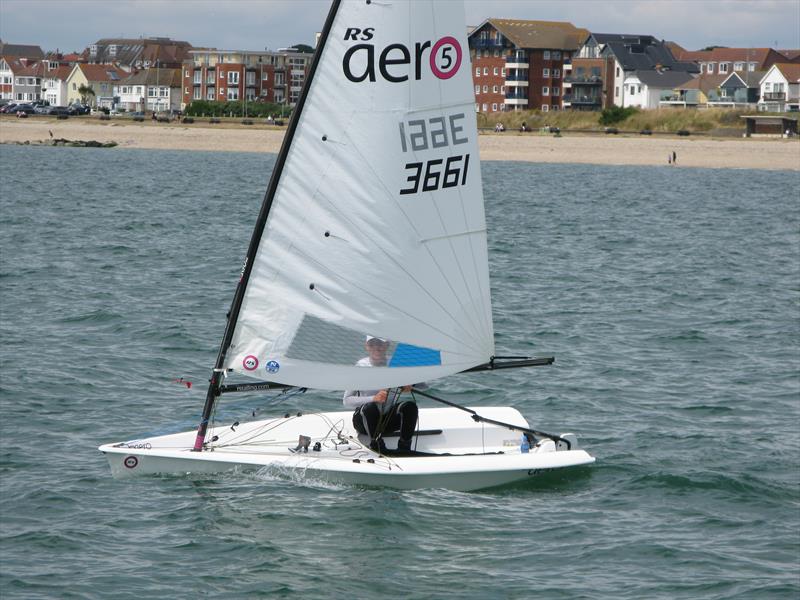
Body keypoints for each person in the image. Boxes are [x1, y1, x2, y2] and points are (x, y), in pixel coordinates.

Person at [343, 336, 419, 453]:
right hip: (364, 422)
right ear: (367, 347)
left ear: (386, 345)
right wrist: (374, 398)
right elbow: (347, 401)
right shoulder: (360, 367)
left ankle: (404, 447)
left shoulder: (395, 364)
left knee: (410, 406)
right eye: (372, 344)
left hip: (387, 423)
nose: (376, 348)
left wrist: (411, 384)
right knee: (371, 406)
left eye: (380, 344)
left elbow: (424, 385)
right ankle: (377, 445)